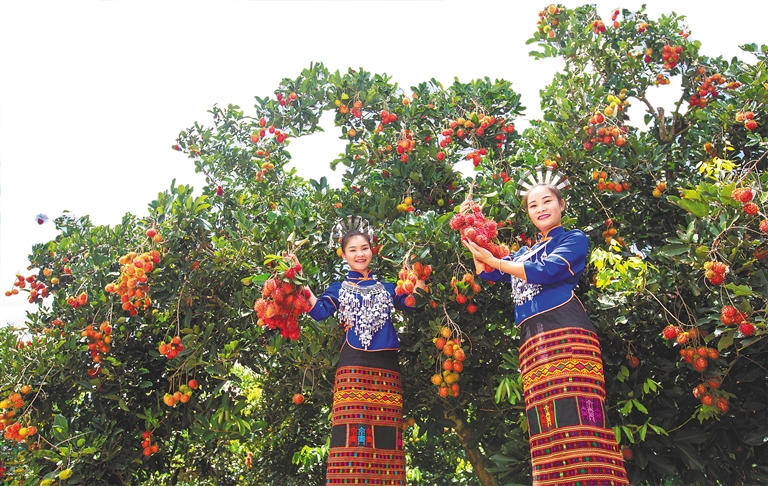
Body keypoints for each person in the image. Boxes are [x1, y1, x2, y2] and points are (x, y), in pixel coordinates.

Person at [461, 181, 629, 485]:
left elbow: (549, 271)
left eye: (547, 201)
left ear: (561, 205)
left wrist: (495, 260)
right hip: (533, 343)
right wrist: (473, 235)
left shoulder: (573, 239)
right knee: (546, 422)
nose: (540, 209)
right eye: (533, 205)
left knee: (580, 415)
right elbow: (487, 272)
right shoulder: (524, 252)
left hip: (567, 333)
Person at [298, 224, 423, 485]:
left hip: (387, 368)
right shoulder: (339, 288)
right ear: (343, 255)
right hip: (353, 368)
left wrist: (419, 268)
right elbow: (319, 312)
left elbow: (413, 302)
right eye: (352, 250)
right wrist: (297, 279)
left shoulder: (388, 286)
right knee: (350, 434)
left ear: (372, 250)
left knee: (388, 436)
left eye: (364, 248)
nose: (360, 254)